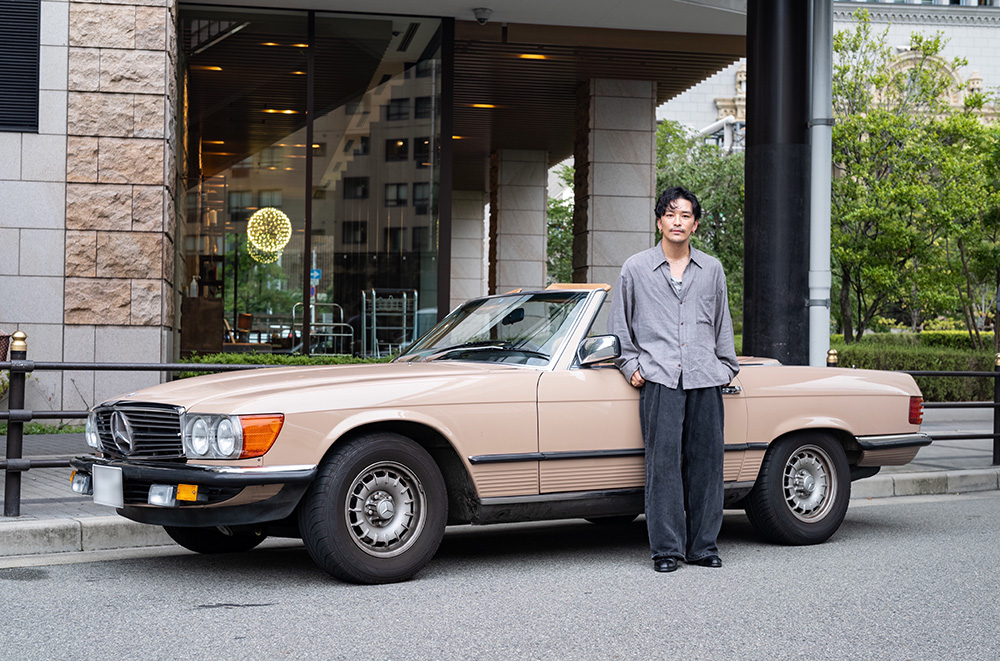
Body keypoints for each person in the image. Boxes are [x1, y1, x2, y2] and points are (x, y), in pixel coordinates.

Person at [607, 186, 739, 573]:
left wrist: (726, 368)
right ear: (659, 221)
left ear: (695, 224)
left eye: (685, 215)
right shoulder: (635, 268)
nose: (677, 221)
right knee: (662, 466)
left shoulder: (712, 269)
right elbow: (620, 329)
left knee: (707, 464)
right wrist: (631, 367)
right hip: (659, 378)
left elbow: (722, 324)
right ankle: (666, 550)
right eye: (670, 214)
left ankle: (703, 546)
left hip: (704, 377)